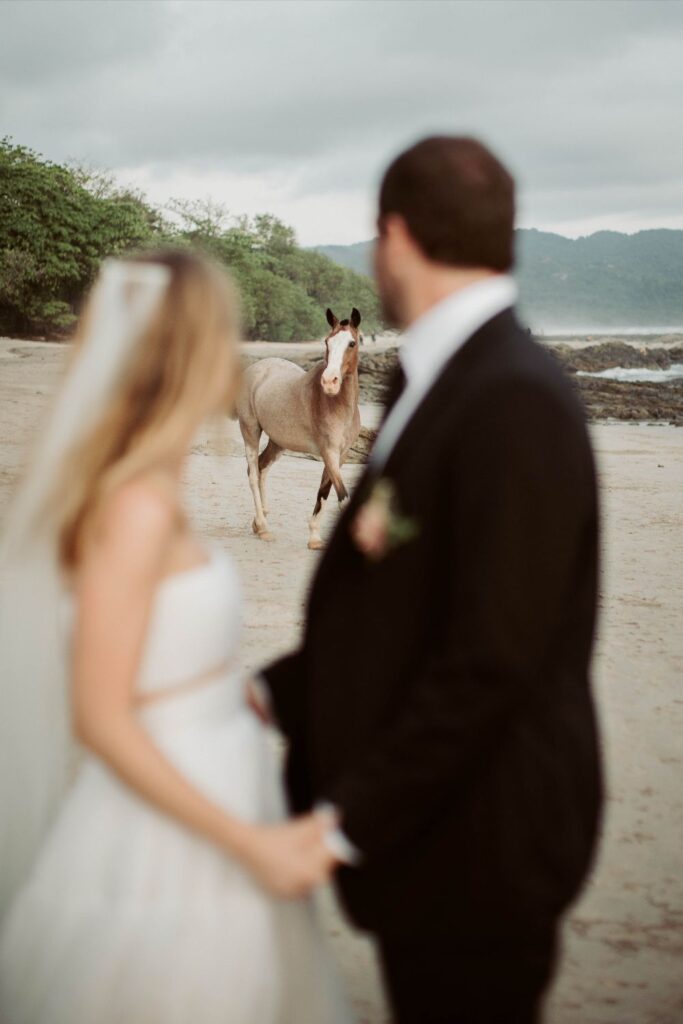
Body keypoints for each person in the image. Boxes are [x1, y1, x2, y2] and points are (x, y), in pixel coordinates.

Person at [255, 137, 603, 1024]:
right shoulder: (450, 375)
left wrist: (340, 827)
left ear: (396, 236)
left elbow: (492, 658)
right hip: (432, 836)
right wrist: (275, 691)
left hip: (481, 838)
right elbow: (410, 596)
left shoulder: (513, 398)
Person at [0, 251, 351, 1024]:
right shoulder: (134, 506)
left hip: (214, 777)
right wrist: (248, 843)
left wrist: (245, 696)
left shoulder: (148, 483)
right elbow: (100, 715)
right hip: (168, 824)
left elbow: (155, 655)